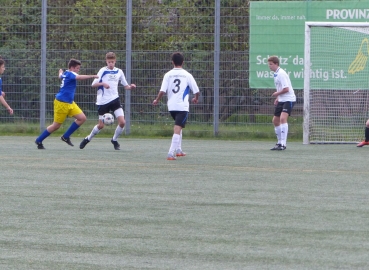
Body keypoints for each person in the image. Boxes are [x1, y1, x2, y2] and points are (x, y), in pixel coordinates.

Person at [35, 59, 98, 149]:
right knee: (56, 126)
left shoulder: (66, 73)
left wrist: (60, 72)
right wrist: (92, 76)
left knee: (82, 118)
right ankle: (39, 140)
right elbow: (79, 77)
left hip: (70, 103)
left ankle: (65, 136)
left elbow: (60, 76)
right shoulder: (71, 74)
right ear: (72, 68)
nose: (78, 70)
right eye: (77, 68)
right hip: (61, 103)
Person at [79, 52, 136, 150]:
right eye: (109, 62)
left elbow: (126, 86)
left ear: (115, 61)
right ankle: (88, 138)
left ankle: (114, 140)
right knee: (101, 126)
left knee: (122, 122)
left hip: (115, 100)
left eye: (112, 62)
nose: (111, 64)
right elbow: (93, 84)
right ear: (106, 61)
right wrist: (103, 84)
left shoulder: (119, 71)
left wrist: (131, 87)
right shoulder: (102, 71)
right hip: (103, 102)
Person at [152, 52, 200, 160]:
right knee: (177, 128)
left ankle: (178, 150)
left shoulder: (168, 74)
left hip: (171, 107)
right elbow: (196, 90)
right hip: (182, 106)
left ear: (172, 62)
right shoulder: (187, 75)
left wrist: (157, 100)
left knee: (180, 126)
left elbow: (162, 91)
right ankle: (170, 153)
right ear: (183, 62)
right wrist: (196, 98)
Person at [268, 56, 296, 151]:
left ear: (276, 64)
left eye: (271, 64)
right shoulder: (276, 74)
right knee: (275, 121)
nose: (269, 66)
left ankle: (283, 144)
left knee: (283, 118)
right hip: (282, 99)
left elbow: (286, 89)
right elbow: (280, 88)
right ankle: (279, 142)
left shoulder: (281, 73)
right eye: (269, 64)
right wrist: (278, 97)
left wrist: (277, 93)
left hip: (289, 99)